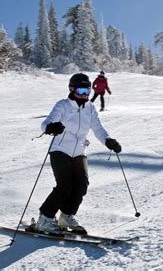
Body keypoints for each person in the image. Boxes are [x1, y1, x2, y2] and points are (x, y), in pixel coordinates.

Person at [36, 73, 122, 234]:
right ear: (72, 89)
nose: (84, 95)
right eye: (81, 91)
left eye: (87, 91)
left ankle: (66, 216)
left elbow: (98, 128)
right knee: (65, 185)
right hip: (60, 150)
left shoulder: (90, 108)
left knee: (81, 185)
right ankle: (45, 219)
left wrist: (108, 140)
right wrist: (50, 128)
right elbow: (46, 123)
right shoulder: (63, 105)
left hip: (79, 152)